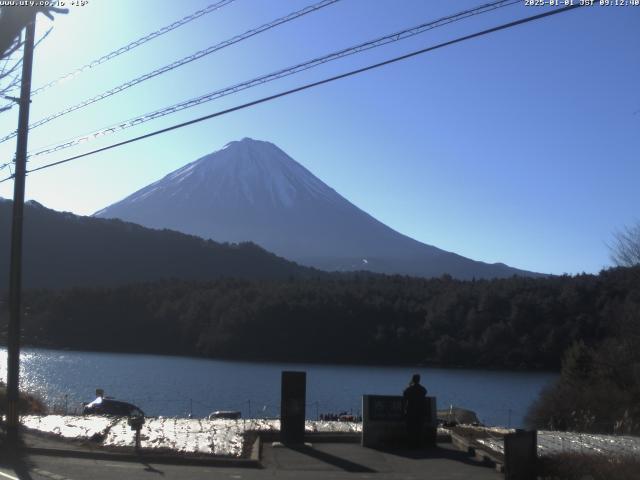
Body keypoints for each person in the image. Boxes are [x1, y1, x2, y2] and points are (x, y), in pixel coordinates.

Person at [403, 373, 427, 448]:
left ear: (413, 380)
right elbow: (425, 392)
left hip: (411, 410)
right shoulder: (422, 389)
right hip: (420, 410)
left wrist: (410, 385)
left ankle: (411, 444)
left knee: (410, 428)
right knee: (419, 428)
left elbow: (405, 394)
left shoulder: (409, 389)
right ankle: (419, 444)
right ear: (419, 380)